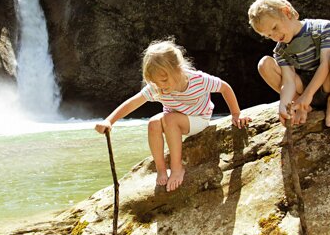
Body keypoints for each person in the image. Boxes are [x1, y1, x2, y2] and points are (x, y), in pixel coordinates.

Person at [95, 39, 251, 192]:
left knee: (169, 118)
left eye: (164, 79)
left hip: (199, 119)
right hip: (174, 120)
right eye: (156, 82)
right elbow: (133, 103)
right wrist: (109, 121)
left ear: (178, 69)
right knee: (153, 123)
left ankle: (177, 169)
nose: (161, 86)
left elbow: (225, 88)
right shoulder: (158, 87)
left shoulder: (198, 80)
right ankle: (161, 169)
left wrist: (236, 114)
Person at [247, 0, 330, 127]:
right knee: (264, 64)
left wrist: (308, 95)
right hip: (303, 90)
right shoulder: (281, 50)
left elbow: (325, 64)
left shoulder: (322, 27)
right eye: (269, 35)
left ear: (287, 12)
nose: (275, 36)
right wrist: (285, 104)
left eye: (275, 28)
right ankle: (301, 107)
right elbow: (288, 81)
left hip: (329, 84)